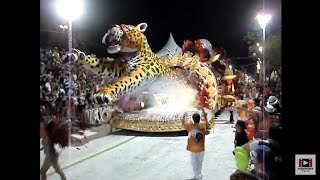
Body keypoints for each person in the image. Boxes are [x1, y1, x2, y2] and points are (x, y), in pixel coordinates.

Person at [182, 113, 209, 180]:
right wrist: (205, 116)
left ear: (193, 119)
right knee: (200, 162)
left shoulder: (190, 125)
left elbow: (183, 123)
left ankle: (196, 175)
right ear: (199, 119)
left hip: (193, 148)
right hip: (201, 147)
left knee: (194, 162)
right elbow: (207, 124)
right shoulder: (202, 125)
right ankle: (199, 174)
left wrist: (184, 116)